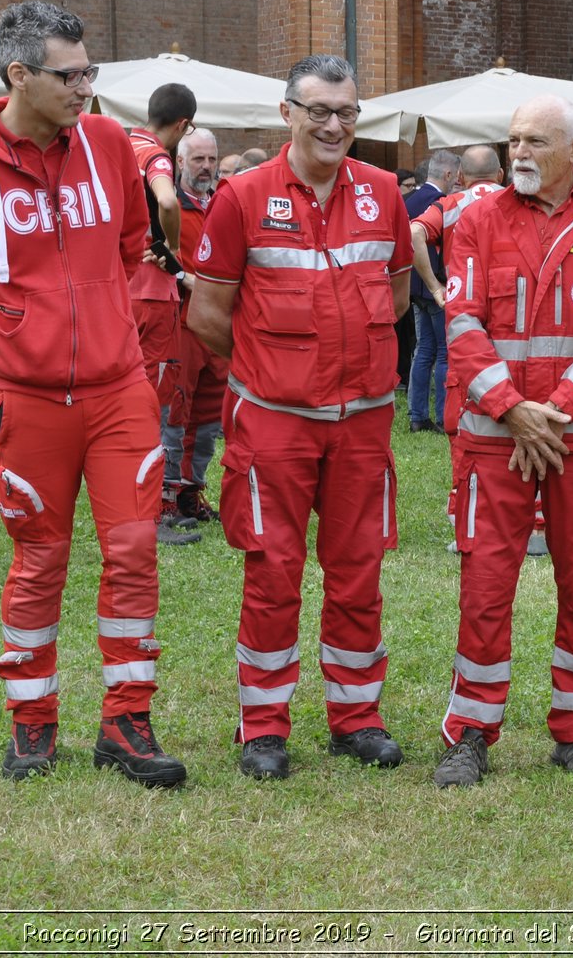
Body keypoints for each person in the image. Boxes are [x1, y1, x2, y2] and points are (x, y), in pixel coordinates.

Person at [0, 0, 187, 787]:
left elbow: (135, 241)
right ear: (18, 74)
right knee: (40, 557)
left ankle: (127, 722)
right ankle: (32, 724)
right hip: (27, 398)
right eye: (69, 74)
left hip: (119, 390)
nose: (86, 87)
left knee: (135, 551)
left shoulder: (106, 143)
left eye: (91, 70)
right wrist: (17, 327)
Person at [187, 54, 413, 781]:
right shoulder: (243, 197)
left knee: (358, 571)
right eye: (318, 110)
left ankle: (356, 717)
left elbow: (400, 297)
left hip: (363, 424)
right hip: (274, 423)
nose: (334, 124)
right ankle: (264, 725)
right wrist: (273, 371)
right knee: (273, 570)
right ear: (287, 113)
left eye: (346, 111)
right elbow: (209, 315)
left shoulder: (384, 193)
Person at [432, 94, 573, 788]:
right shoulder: (477, 219)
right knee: (485, 584)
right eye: (513, 139)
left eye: (535, 141)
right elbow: (461, 320)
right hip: (494, 437)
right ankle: (470, 731)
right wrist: (511, 409)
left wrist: (549, 412)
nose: (518, 152)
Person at [128, 84, 202, 544]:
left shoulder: (119, 141)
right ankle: (150, 516)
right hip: (152, 296)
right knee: (152, 407)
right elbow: (169, 202)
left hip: (123, 288)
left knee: (129, 400)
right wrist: (173, 249)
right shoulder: (156, 156)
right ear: (182, 126)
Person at [409, 145, 505, 434]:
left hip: (462, 301)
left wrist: (435, 287)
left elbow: (414, 232)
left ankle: (455, 417)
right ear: (501, 174)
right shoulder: (517, 202)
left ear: (461, 176)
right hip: (507, 300)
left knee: (455, 359)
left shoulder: (451, 204)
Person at [165, 127, 229, 525]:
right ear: (180, 162)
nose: (206, 167)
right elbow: (150, 250)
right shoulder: (164, 204)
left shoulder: (225, 202)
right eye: (198, 159)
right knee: (174, 411)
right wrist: (185, 279)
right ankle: (165, 497)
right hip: (180, 324)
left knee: (208, 416)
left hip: (218, 328)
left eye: (211, 159)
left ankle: (191, 491)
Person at [405, 151, 462, 432]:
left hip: (414, 287)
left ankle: (417, 415)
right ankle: (442, 415)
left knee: (423, 350)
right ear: (449, 175)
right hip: (435, 286)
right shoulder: (440, 204)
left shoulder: (409, 199)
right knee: (443, 353)